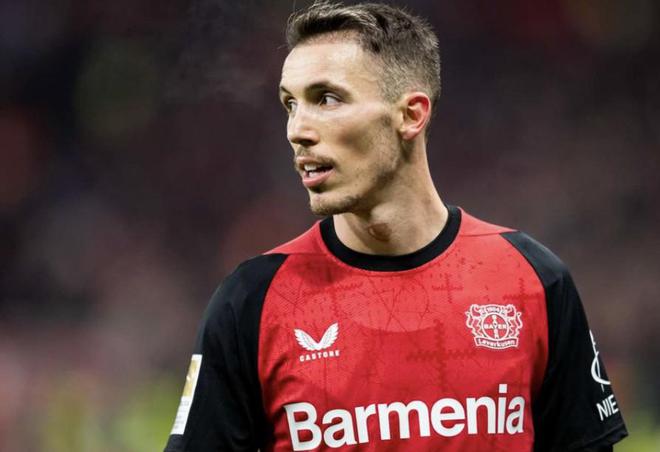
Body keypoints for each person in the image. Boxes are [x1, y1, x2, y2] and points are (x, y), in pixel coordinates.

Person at [164, 2, 628, 451]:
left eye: (326, 99)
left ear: (411, 114)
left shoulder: (533, 280)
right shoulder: (252, 302)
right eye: (291, 104)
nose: (297, 130)